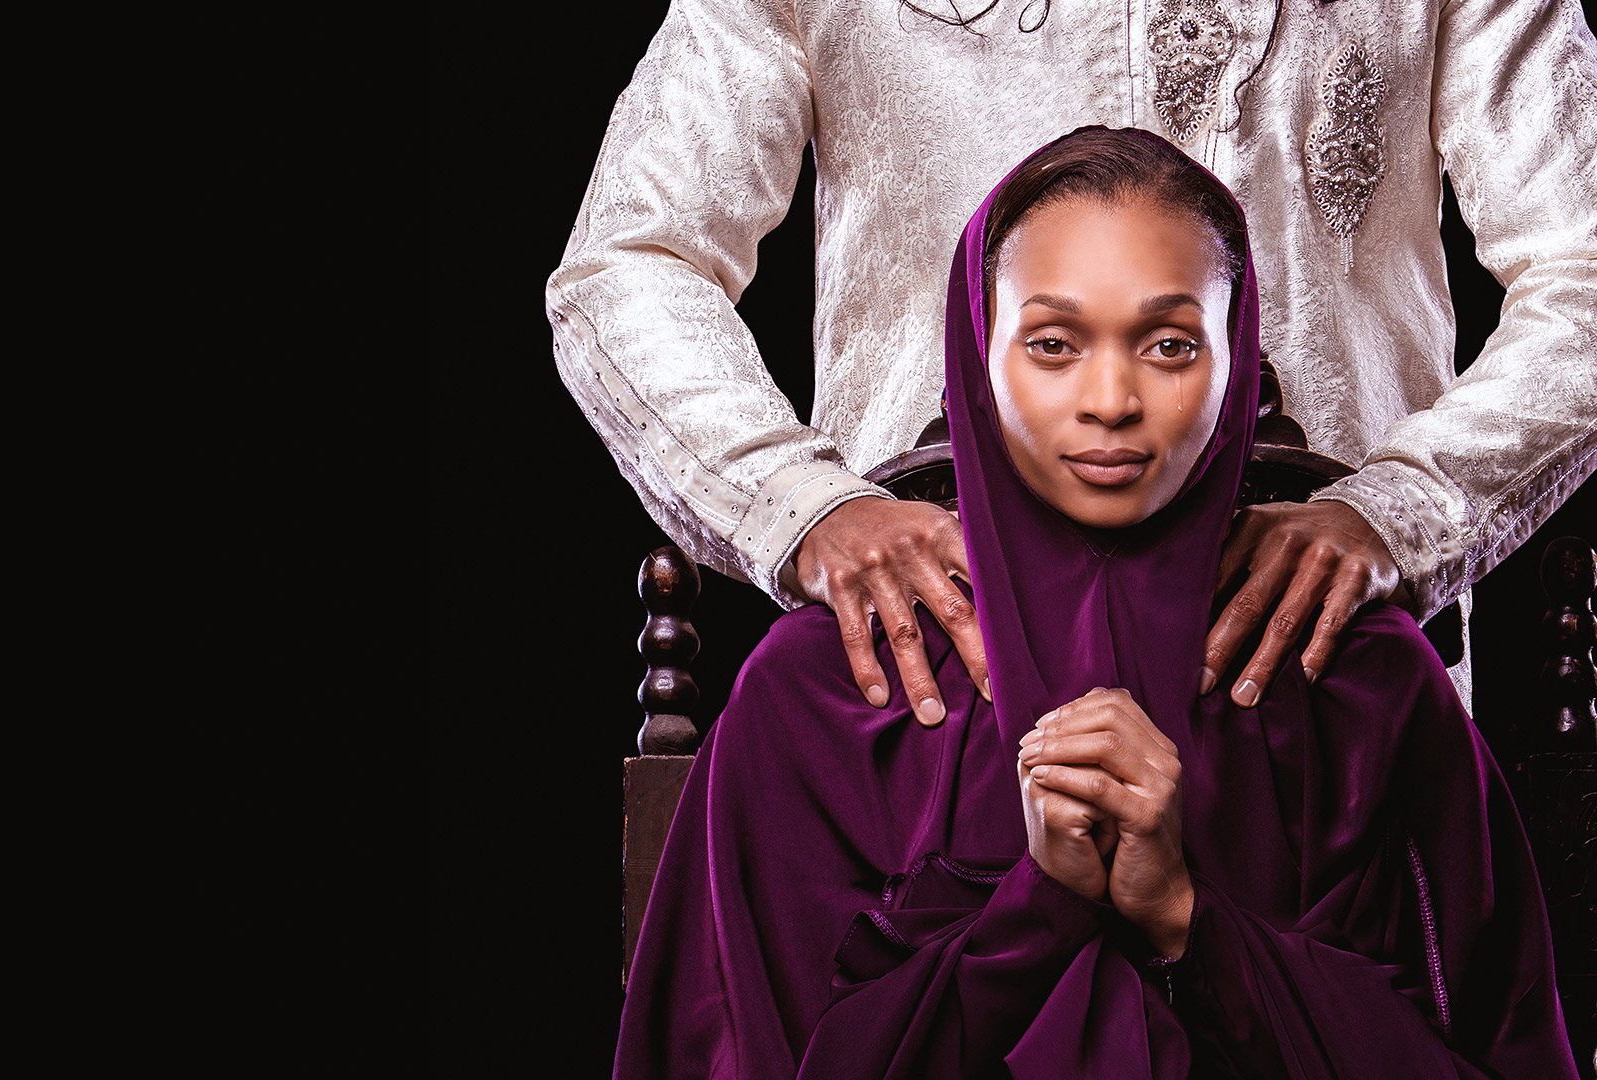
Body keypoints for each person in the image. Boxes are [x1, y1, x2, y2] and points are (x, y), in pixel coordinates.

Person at [613, 127, 1575, 1078]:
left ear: (1236, 358)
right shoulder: (823, 692)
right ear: (978, 354)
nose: (1111, 399)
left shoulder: (1364, 685)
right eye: (1053, 344)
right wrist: (1044, 907)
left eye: (1170, 345)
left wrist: (1184, 918)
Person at [547, 0, 1597, 725]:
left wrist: (1407, 509)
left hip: (1325, 682)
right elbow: (630, 261)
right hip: (936, 682)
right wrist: (797, 504)